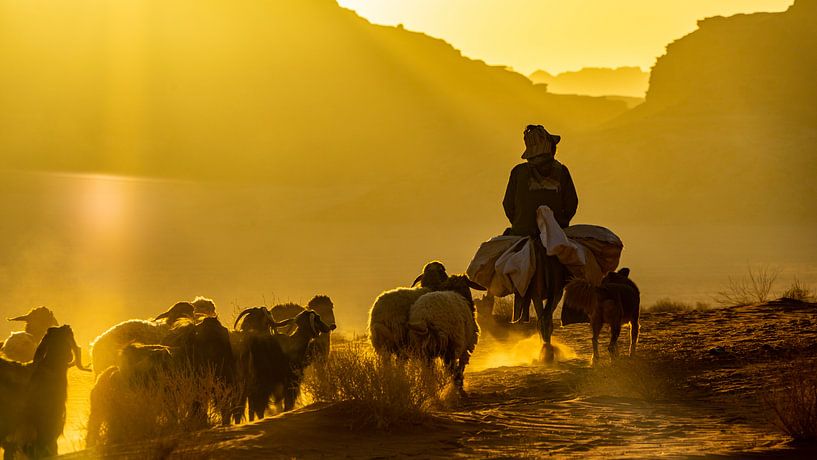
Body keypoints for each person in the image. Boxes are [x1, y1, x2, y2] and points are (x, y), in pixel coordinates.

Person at [502, 124, 578, 323]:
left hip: (522, 232)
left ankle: (519, 304)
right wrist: (559, 225)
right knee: (577, 266)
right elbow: (572, 203)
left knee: (502, 262)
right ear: (550, 148)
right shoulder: (562, 171)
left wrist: (518, 224)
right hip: (557, 233)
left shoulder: (518, 172)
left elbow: (508, 204)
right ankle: (575, 310)